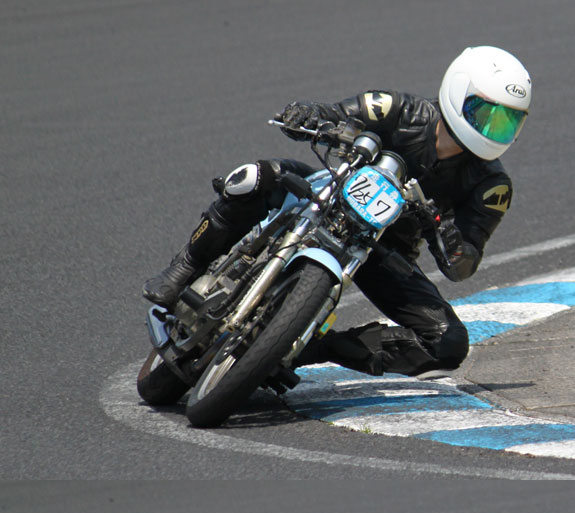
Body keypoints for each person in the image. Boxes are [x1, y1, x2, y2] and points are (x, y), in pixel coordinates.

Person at [143, 46, 531, 378]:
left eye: (505, 122)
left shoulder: (491, 186)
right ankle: (185, 266)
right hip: (329, 194)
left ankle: (311, 347)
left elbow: (463, 264)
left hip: (382, 251)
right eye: (486, 114)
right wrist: (309, 115)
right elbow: (337, 113)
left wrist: (446, 235)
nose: (492, 128)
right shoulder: (399, 110)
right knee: (252, 178)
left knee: (448, 342)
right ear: (458, 92)